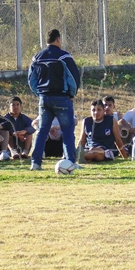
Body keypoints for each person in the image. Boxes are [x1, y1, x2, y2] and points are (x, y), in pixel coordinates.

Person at [28, 28, 81, 171]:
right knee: (68, 130)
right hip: (62, 97)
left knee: (41, 131)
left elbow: (31, 80)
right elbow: (73, 77)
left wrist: (39, 94)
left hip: (44, 98)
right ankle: (70, 162)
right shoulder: (64, 56)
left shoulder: (37, 57)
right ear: (58, 39)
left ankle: (35, 163)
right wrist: (71, 93)